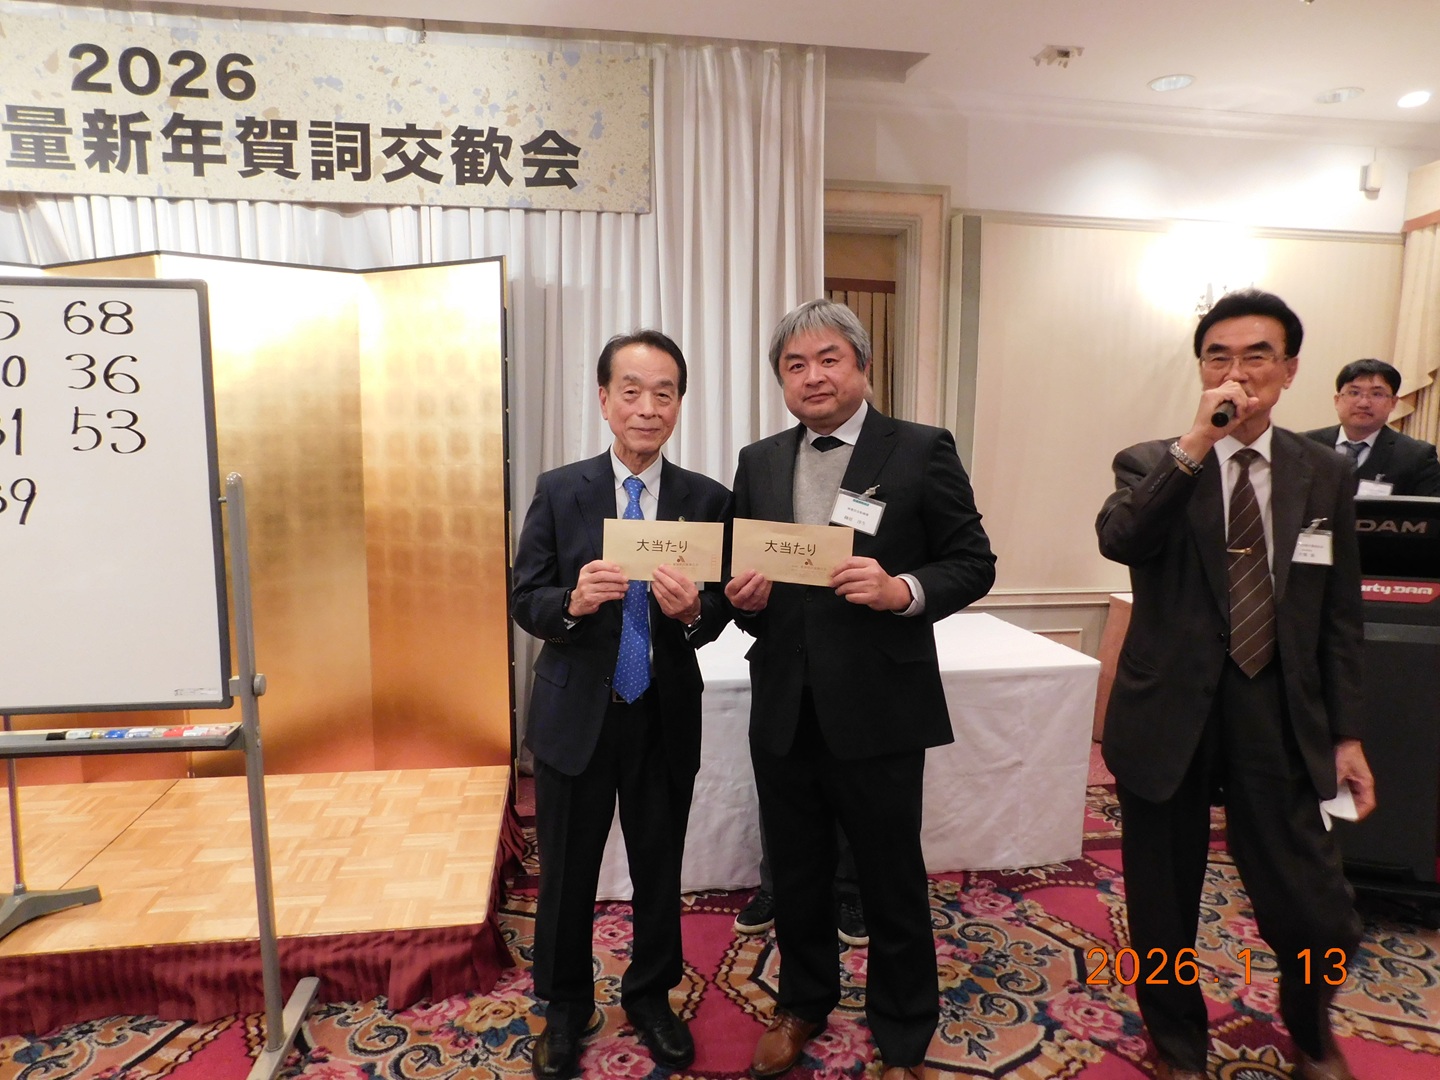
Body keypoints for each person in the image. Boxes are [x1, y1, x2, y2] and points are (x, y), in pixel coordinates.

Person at [1097, 290, 1376, 1080]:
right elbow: (1122, 538)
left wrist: (1348, 734)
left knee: (1316, 908)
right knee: (1161, 905)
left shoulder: (1323, 472)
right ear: (1201, 369)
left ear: (1290, 369)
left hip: (1277, 710)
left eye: (1257, 355)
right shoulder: (1152, 461)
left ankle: (1311, 1031)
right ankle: (1177, 1043)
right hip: (1168, 713)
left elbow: (1339, 613)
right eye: (1218, 356)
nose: (1238, 371)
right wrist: (1195, 444)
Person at [724, 299, 995, 1080]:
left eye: (828, 359)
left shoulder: (919, 449)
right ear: (781, 380)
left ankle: (903, 1025)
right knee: (797, 870)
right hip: (785, 702)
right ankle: (803, 1003)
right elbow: (746, 576)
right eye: (795, 365)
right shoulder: (759, 461)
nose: (812, 377)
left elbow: (972, 561)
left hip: (880, 705)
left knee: (890, 876)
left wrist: (901, 589)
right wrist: (743, 599)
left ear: (863, 366)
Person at [511, 330, 732, 1080]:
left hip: (662, 714)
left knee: (659, 866)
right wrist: (571, 603)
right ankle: (565, 1006)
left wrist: (693, 612)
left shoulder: (707, 500)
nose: (647, 407)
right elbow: (526, 597)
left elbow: (721, 611)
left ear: (679, 404)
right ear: (604, 400)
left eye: (663, 393)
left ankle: (650, 996)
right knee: (566, 874)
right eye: (631, 391)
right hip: (577, 715)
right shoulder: (560, 489)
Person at [1303, 358, 1440, 496]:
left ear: (1393, 403)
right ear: (1337, 400)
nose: (1364, 403)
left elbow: (1426, 509)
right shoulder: (1304, 445)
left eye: (1377, 394)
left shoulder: (1417, 457)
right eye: (1354, 393)